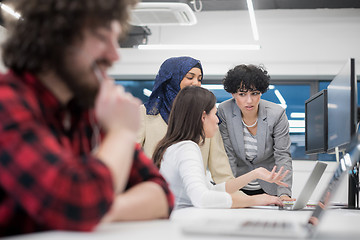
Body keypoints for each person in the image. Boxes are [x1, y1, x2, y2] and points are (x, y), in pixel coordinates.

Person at [0, 0, 174, 236]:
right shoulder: (7, 101)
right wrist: (121, 132)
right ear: (54, 38)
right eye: (102, 38)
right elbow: (76, 203)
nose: (115, 56)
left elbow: (162, 194)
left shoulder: (85, 113)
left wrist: (102, 209)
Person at [153, 86, 288, 209]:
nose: (217, 120)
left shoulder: (178, 146)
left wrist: (255, 174)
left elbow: (211, 191)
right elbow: (203, 198)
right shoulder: (187, 148)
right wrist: (254, 200)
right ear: (203, 117)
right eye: (214, 114)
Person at [137, 56, 234, 184]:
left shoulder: (206, 116)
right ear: (172, 78)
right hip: (154, 194)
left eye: (200, 79)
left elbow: (222, 173)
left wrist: (249, 201)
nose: (196, 83)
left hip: (193, 198)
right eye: (190, 77)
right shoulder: (146, 113)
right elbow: (130, 158)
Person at [218, 64, 293, 201]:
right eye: (242, 94)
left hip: (270, 187)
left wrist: (284, 193)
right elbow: (228, 155)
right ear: (233, 93)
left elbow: (283, 155)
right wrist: (228, 190)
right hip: (238, 184)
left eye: (254, 93)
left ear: (261, 92)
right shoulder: (224, 111)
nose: (249, 100)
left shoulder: (277, 114)